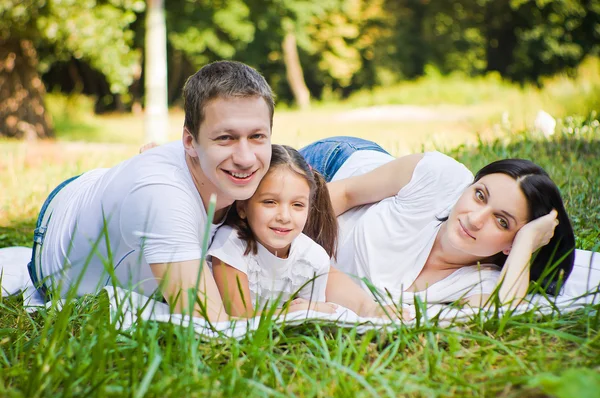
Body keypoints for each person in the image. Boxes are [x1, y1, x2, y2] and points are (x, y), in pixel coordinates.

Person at [27, 61, 276, 322]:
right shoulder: (163, 198)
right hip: (55, 237)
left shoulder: (259, 165)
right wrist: (293, 312)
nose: (246, 158)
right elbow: (213, 325)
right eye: (226, 138)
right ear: (189, 141)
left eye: (257, 136)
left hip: (119, 189)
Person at [300, 136, 576, 307]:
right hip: (332, 168)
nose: (476, 219)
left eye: (502, 222)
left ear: (512, 245)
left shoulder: (482, 281)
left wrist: (527, 242)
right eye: (480, 195)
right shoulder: (437, 175)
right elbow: (345, 194)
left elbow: (501, 312)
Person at [208, 144, 400, 318]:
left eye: (297, 205)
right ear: (242, 207)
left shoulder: (312, 257)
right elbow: (238, 315)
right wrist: (293, 311)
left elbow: (310, 320)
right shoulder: (231, 243)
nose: (284, 216)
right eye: (270, 202)